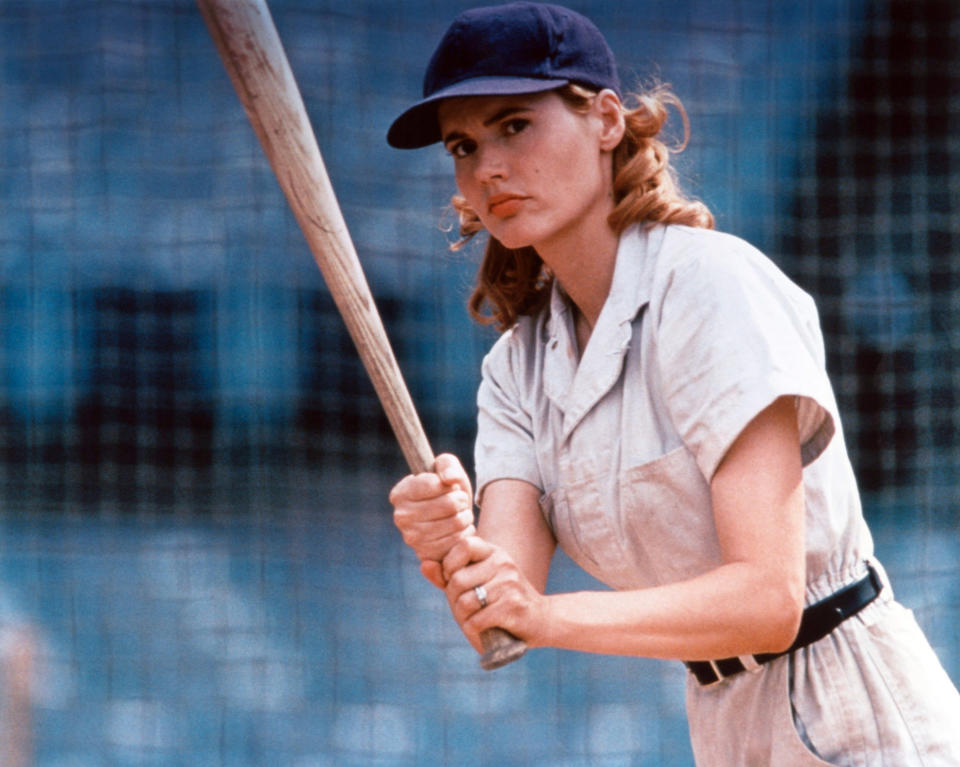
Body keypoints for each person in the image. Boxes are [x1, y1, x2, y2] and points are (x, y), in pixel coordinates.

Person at [385, 3, 960, 765]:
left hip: (856, 704)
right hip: (724, 719)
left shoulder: (709, 288)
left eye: (515, 125)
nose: (487, 167)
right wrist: (449, 540)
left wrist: (546, 614)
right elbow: (504, 612)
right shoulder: (515, 369)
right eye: (464, 144)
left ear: (607, 120)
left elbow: (768, 599)